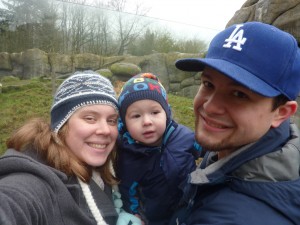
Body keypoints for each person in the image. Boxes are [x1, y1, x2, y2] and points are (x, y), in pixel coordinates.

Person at [172, 21, 300, 225]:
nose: (211, 106)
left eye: (239, 94)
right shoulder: (237, 147)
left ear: (281, 113)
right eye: (208, 84)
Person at [0, 71, 141, 225]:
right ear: (62, 125)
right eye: (90, 118)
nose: (106, 130)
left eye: (112, 120)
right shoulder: (36, 179)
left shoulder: (114, 161)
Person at [116, 73, 201, 225]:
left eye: (155, 112)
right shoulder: (127, 155)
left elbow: (209, 151)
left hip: (192, 207)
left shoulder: (185, 137)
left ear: (166, 113)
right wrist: (134, 214)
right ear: (125, 123)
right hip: (156, 218)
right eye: (136, 116)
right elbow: (128, 191)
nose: (147, 121)